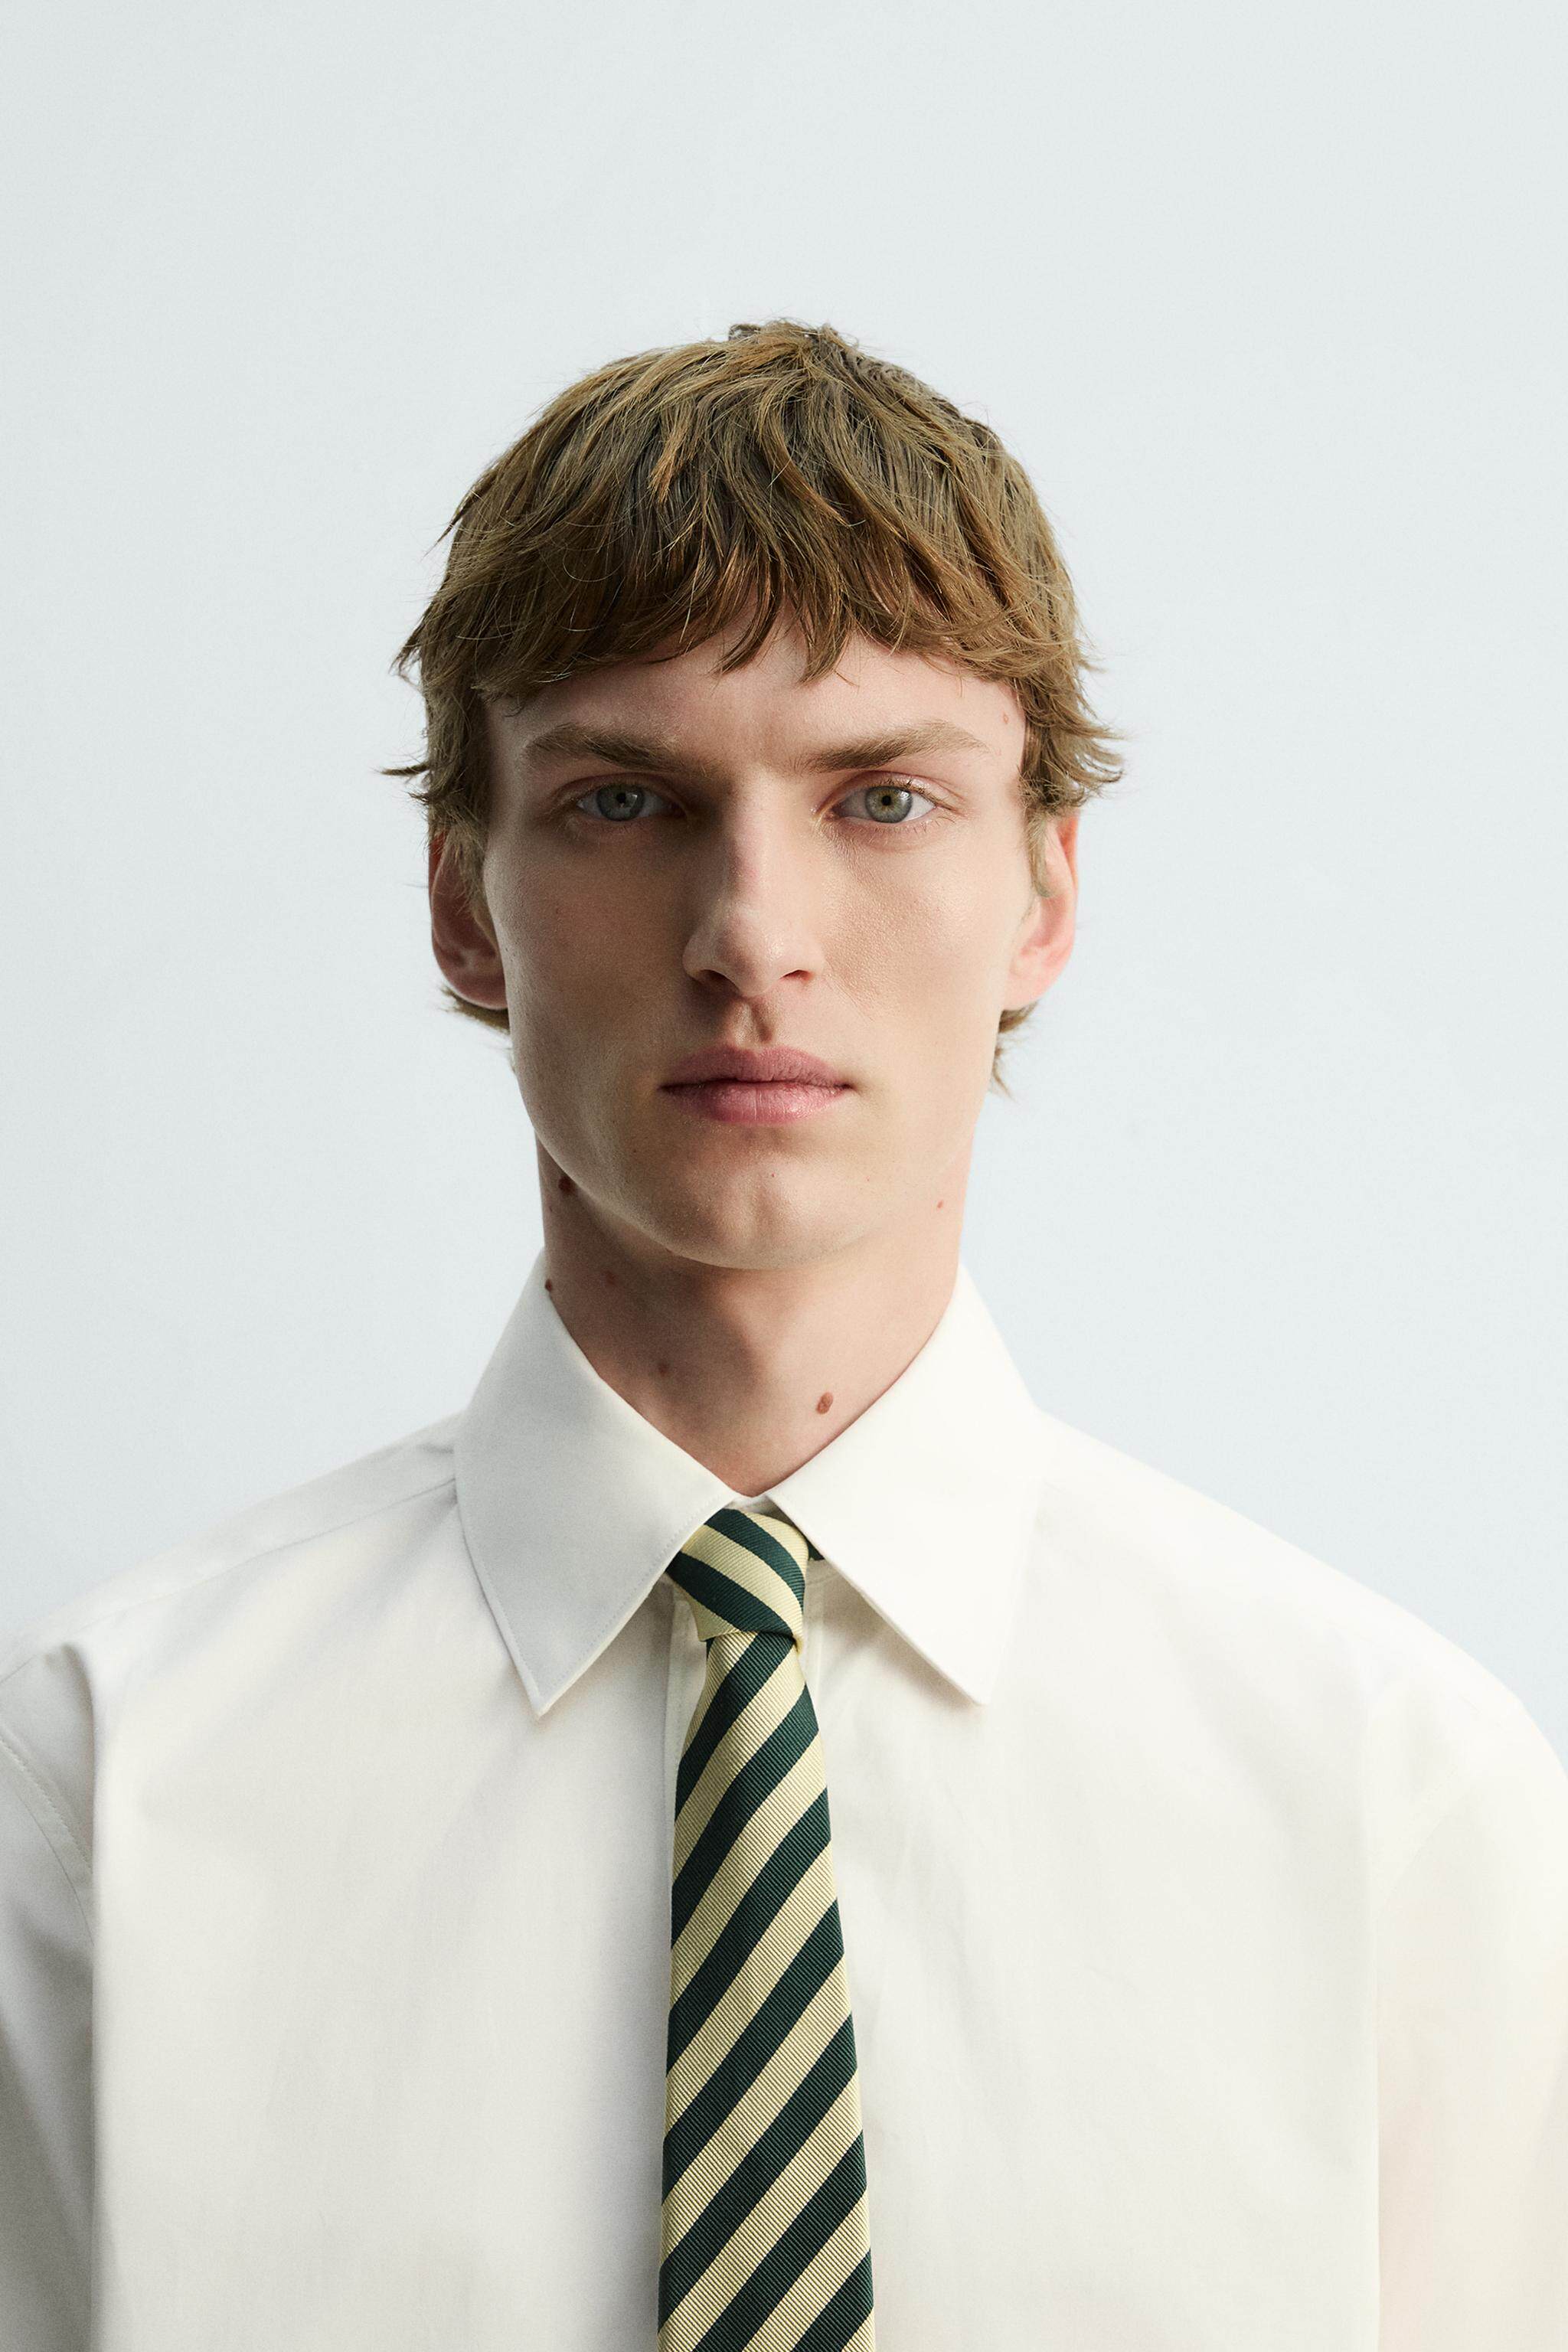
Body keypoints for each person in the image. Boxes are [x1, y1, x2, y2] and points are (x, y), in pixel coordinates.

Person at [2, 320, 1564, 2352]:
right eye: (626, 800)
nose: (755, 932)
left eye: (884, 800)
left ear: (1044, 896)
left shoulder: (1392, 1799)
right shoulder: (102, 1782)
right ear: (463, 901)